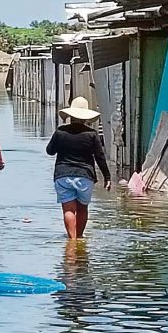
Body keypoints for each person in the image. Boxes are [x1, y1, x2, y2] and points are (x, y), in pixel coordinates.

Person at [46, 96, 111, 240]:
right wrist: (107, 177)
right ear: (86, 117)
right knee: (82, 208)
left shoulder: (60, 132)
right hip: (85, 176)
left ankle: (72, 240)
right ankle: (80, 237)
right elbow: (100, 157)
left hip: (63, 175)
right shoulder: (92, 135)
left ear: (70, 115)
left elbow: (49, 151)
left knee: (68, 209)